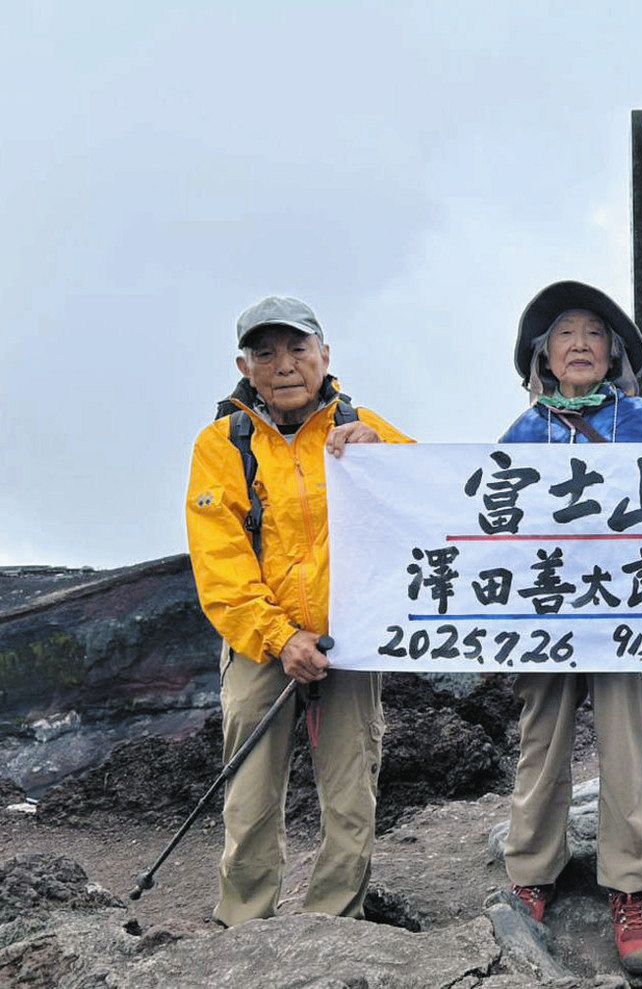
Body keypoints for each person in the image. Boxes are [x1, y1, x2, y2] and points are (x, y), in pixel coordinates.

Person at [186, 296, 414, 926]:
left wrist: (383, 454)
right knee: (251, 797)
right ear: (245, 364)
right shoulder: (222, 443)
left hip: (354, 640)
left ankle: (334, 922)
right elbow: (220, 559)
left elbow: (433, 495)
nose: (283, 365)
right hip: (261, 645)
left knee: (350, 792)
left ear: (325, 355)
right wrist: (279, 637)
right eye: (266, 352)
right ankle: (242, 924)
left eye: (297, 348)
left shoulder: (363, 425)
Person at [499, 280, 642, 975]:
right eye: (564, 334)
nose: (579, 344)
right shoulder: (521, 433)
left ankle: (633, 887)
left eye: (594, 333)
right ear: (542, 355)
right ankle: (531, 870)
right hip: (546, 612)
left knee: (627, 739)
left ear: (613, 354)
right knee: (541, 737)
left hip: (628, 608)